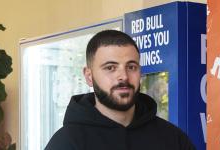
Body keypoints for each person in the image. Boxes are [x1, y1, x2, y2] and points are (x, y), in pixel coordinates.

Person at [45, 30, 195, 150]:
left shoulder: (172, 139)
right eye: (110, 68)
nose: (123, 76)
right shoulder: (67, 142)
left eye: (131, 67)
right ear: (89, 76)